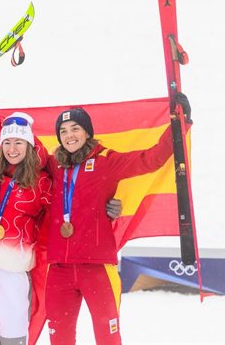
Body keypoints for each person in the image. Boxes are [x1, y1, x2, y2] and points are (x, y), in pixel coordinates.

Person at [0, 58, 122, 345]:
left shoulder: (43, 183)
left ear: (30, 146)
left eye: (19, 143)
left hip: (12, 274)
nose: (12, 149)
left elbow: (75, 203)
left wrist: (107, 208)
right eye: (7, 143)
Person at [44, 101, 190, 345]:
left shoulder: (105, 162)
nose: (69, 136)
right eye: (63, 131)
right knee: (60, 339)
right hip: (59, 269)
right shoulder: (53, 166)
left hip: (97, 267)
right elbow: (17, 151)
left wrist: (179, 122)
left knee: (108, 337)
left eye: (75, 128)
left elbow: (150, 159)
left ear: (87, 131)